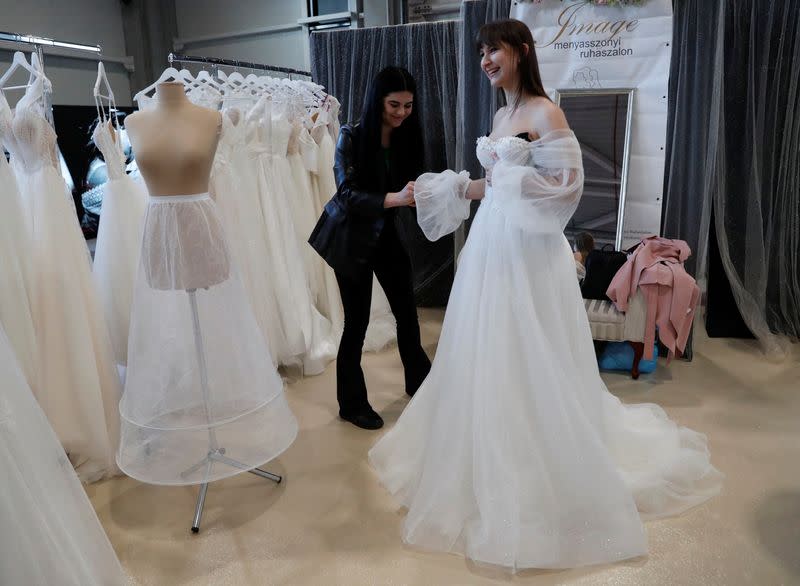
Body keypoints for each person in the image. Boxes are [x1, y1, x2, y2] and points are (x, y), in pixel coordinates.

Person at [369, 19, 722, 572]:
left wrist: (513, 184)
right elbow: (495, 183)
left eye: (494, 50)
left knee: (530, 348)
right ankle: (488, 451)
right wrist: (456, 186)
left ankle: (540, 457)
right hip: (492, 246)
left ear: (522, 51)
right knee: (491, 348)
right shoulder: (504, 115)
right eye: (482, 51)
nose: (486, 59)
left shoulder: (544, 112)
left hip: (531, 252)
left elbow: (569, 190)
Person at [309, 67, 432, 430]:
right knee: (357, 323)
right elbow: (346, 194)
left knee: (408, 314)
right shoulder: (351, 136)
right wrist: (394, 198)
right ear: (377, 100)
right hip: (350, 238)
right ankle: (351, 403)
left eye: (408, 106)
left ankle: (419, 381)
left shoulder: (406, 137)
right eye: (394, 104)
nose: (401, 113)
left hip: (385, 233)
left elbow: (408, 188)